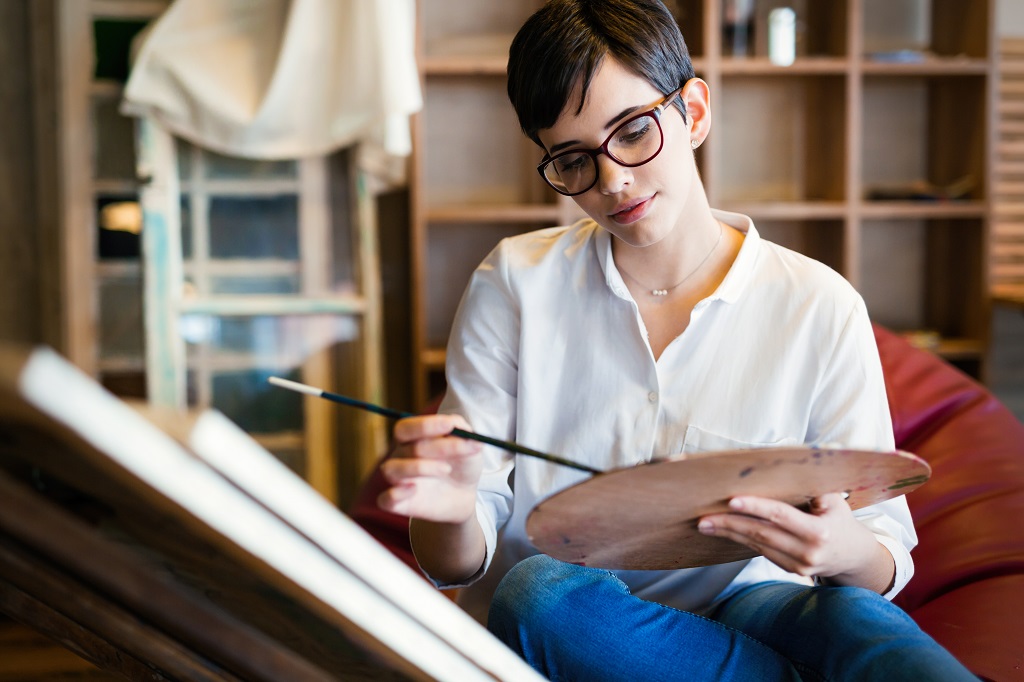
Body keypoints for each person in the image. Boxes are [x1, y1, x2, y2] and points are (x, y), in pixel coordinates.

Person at [378, 1, 977, 679]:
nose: (613, 181)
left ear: (691, 112)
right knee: (538, 592)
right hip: (572, 622)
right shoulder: (515, 282)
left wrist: (840, 551)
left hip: (753, 608)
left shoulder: (819, 304)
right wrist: (453, 513)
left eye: (632, 131)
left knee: (857, 620)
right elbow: (457, 558)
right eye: (572, 160)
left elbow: (883, 555)